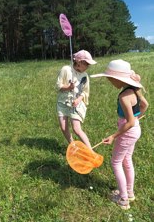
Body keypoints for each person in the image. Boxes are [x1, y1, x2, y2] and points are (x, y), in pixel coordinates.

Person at [91, 59, 149, 210]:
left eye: (110, 80)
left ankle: (123, 199)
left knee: (116, 162)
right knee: (127, 159)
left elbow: (128, 122)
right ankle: (129, 193)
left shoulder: (124, 96)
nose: (110, 83)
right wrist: (137, 117)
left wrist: (113, 136)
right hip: (135, 129)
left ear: (118, 79)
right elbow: (145, 105)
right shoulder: (134, 89)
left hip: (128, 131)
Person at [56, 50, 97, 150]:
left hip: (76, 105)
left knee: (76, 129)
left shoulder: (85, 76)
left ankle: (90, 150)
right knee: (63, 127)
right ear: (79, 62)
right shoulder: (66, 69)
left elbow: (85, 92)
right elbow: (58, 85)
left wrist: (79, 99)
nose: (88, 67)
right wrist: (68, 88)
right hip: (62, 103)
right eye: (86, 64)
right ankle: (73, 145)